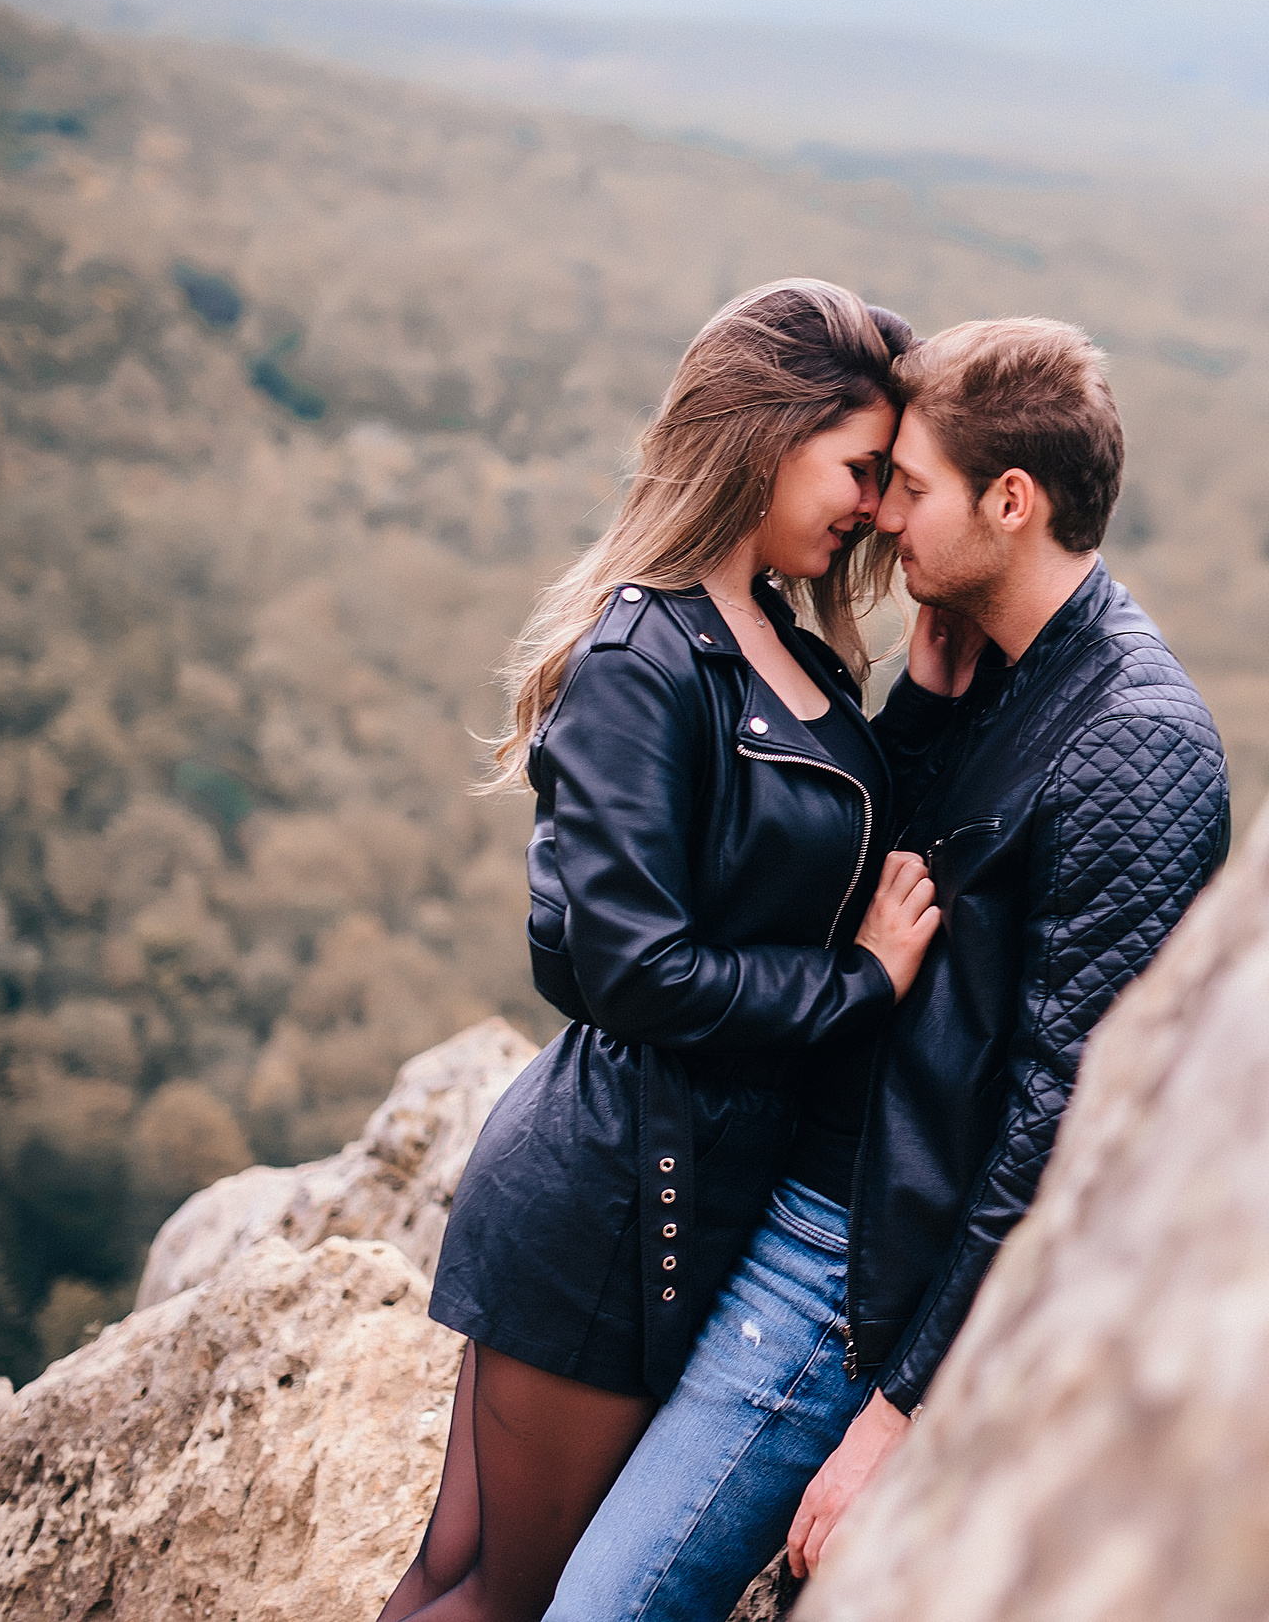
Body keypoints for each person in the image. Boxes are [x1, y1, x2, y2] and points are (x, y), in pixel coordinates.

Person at [550, 318, 1232, 1619]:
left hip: (851, 1263)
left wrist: (901, 1407)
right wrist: (919, 706)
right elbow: (888, 882)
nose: (881, 517)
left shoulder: (1137, 741)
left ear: (1012, 500)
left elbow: (1060, 1118)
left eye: (911, 487)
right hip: (803, 1194)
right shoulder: (997, 667)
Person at [378, 278, 938, 1622]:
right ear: (764, 433)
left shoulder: (784, 639)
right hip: (611, 1204)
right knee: (497, 1596)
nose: (869, 503)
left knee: (464, 1579)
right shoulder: (648, 652)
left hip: (667, 1191)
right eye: (858, 466)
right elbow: (625, 964)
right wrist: (856, 978)